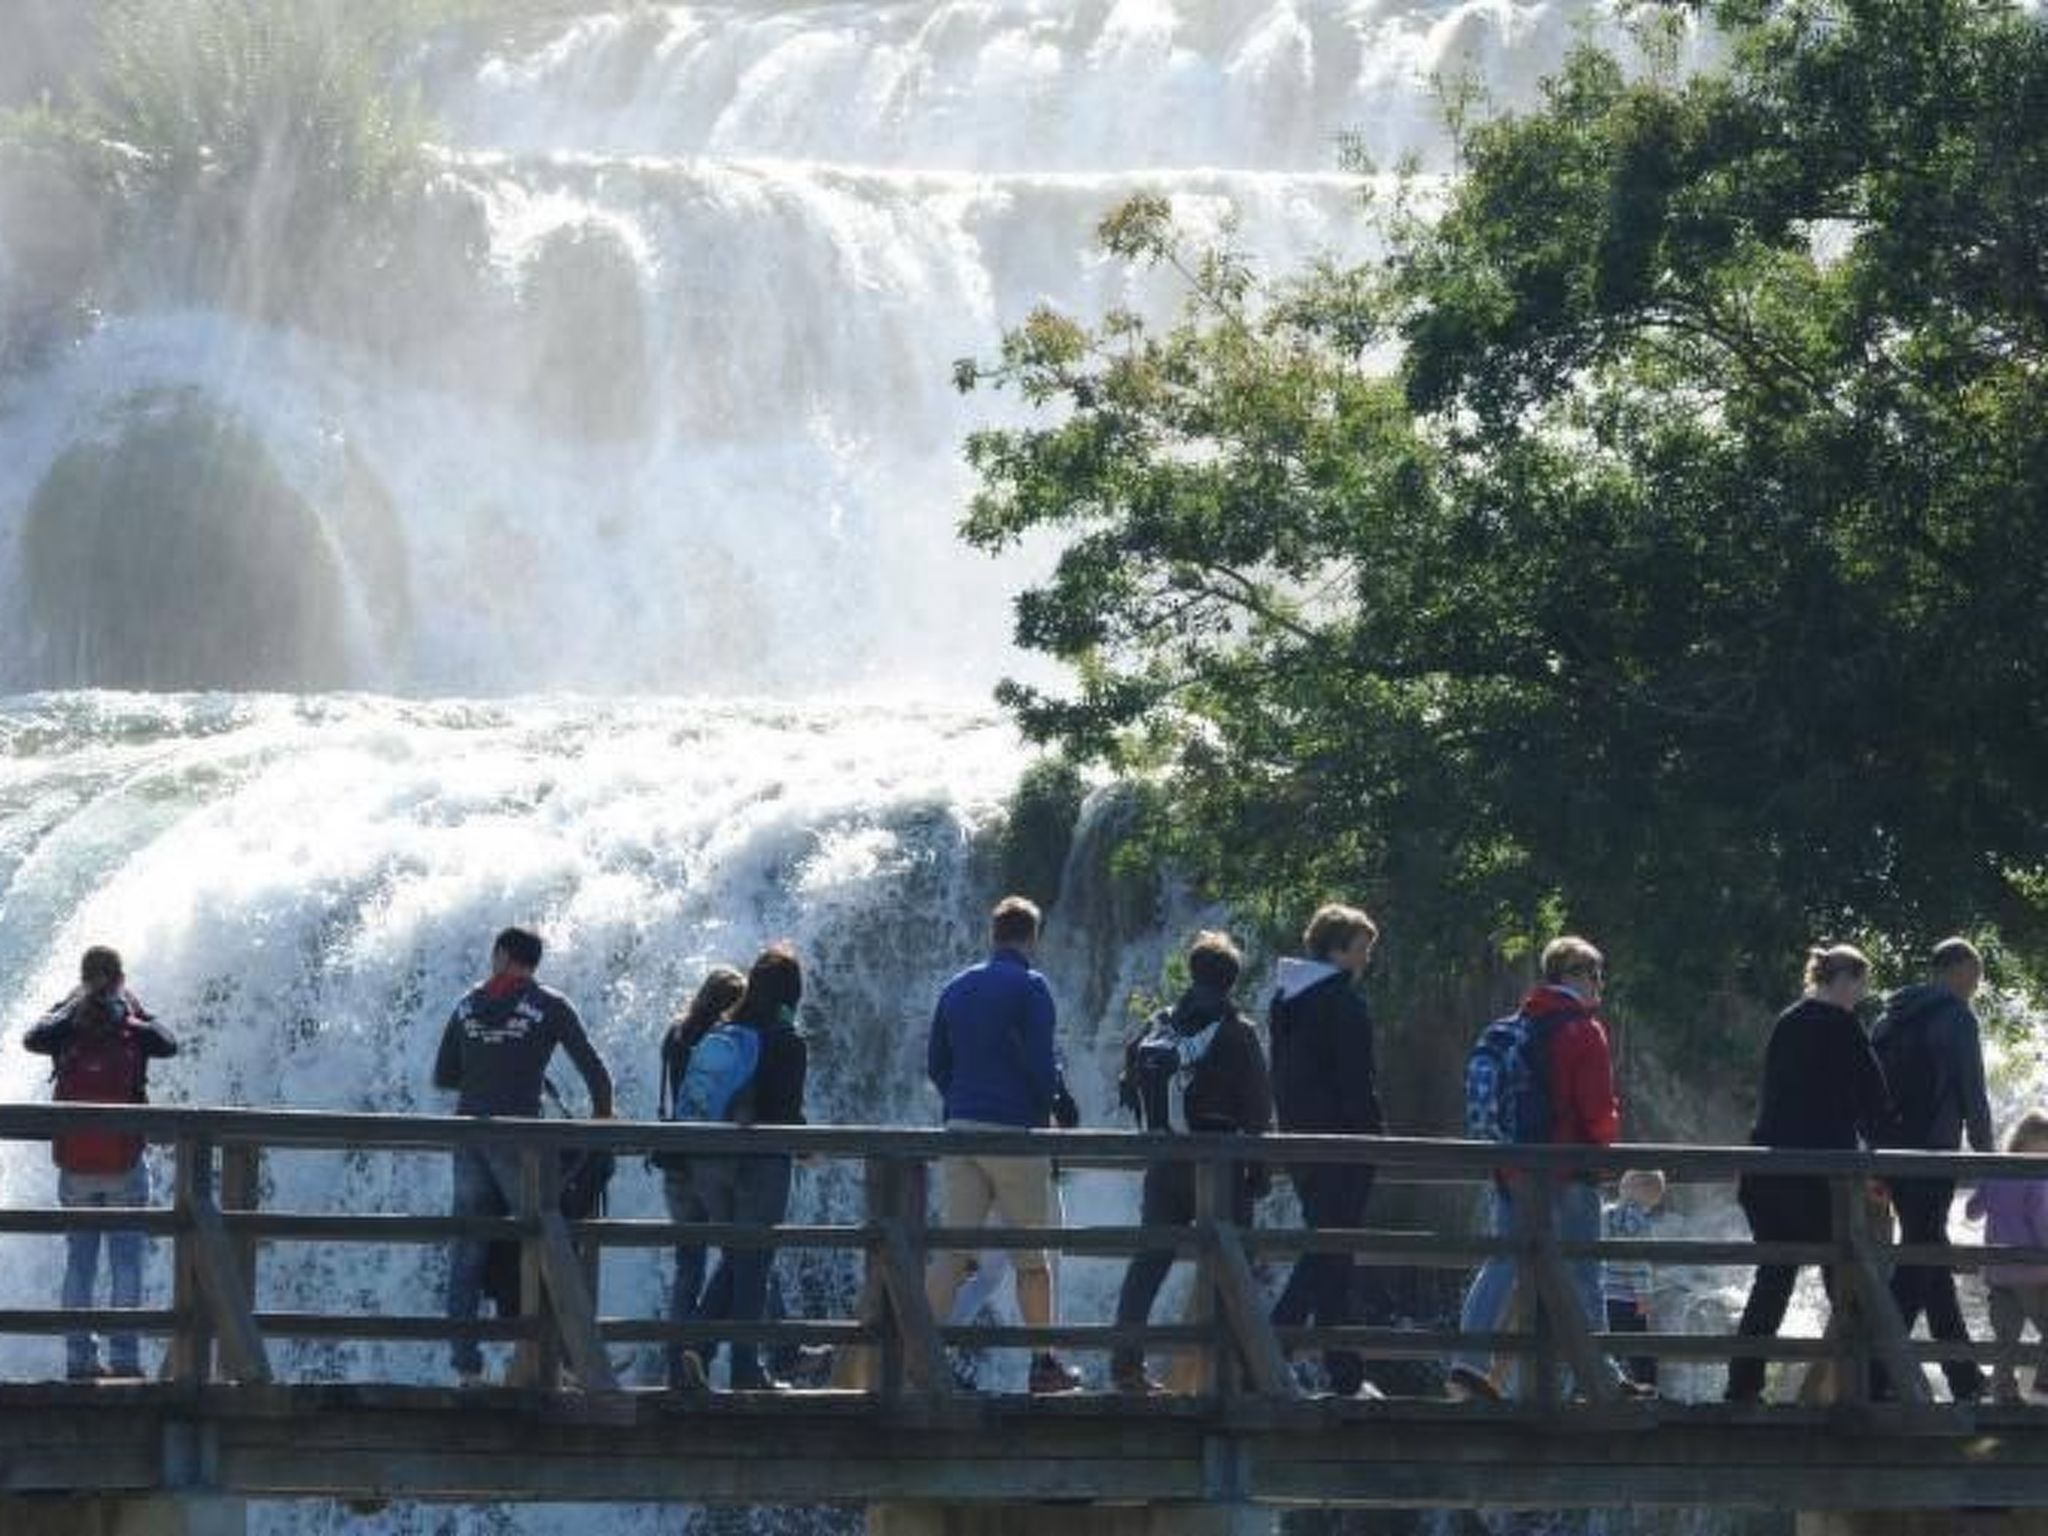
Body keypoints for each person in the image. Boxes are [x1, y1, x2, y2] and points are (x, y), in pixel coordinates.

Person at [1447, 936, 1650, 1402]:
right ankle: (1598, 1374)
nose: (1599, 984)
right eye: (1594, 974)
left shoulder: (1511, 1026)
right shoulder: (1582, 1030)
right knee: (1584, 1269)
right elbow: (1597, 1111)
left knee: (1503, 1261)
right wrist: (1603, 1148)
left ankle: (1467, 1363)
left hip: (1514, 1168)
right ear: (1573, 976)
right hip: (1567, 1169)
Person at [432, 926, 613, 1387]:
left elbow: (445, 1075)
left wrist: (487, 1070)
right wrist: (602, 1120)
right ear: (533, 961)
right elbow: (596, 1072)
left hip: (469, 1135)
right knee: (548, 1241)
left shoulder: (467, 1005)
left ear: (501, 954)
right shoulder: (550, 1004)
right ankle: (569, 1361)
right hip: (522, 1143)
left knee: (469, 1250)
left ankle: (466, 1368)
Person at [924, 895, 1081, 1394]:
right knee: (1032, 1259)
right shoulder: (1031, 987)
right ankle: (1044, 1366)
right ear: (1032, 937)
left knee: (953, 1253)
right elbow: (1040, 1064)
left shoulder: (956, 986)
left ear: (993, 935)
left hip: (960, 1129)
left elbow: (936, 1063)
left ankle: (917, 1361)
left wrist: (961, 1100)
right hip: (1013, 1132)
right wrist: (1045, 1109)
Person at [1723, 945, 1892, 1403]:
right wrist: (1882, 1157)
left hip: (1769, 1175)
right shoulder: (1843, 1026)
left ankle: (1743, 1386)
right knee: (1847, 1279)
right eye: (1861, 984)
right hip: (1824, 1179)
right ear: (1846, 980)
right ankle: (1863, 1388)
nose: (1862, 995)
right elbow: (1876, 1102)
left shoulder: (1788, 1021)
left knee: (1774, 1278)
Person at [1110, 931, 1274, 1395]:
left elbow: (1128, 1085)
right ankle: (1239, 1375)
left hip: (1166, 1162)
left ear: (1192, 972)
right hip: (1220, 1165)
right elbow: (1258, 1110)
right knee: (1235, 1264)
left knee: (1150, 1262)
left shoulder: (1159, 1025)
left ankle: (1125, 1364)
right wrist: (1259, 1174)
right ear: (1231, 981)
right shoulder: (1238, 1032)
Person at [24, 946, 178, 1381]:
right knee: (126, 1262)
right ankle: (125, 1359)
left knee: (80, 1262)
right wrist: (136, 1011)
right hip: (124, 1162)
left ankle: (79, 1359)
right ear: (121, 978)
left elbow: (31, 1037)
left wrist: (68, 1005)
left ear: (83, 977)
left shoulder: (67, 1025)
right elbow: (169, 1043)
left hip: (76, 1165)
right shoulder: (131, 1026)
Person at [679, 943, 809, 1392]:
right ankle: (745, 1370)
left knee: (737, 1257)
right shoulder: (787, 1041)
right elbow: (785, 1114)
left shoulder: (726, 1029)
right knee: (753, 1263)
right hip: (760, 1165)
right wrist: (808, 1145)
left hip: (710, 1162)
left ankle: (697, 1350)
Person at [1871, 936, 1993, 1402]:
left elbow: (1867, 1092)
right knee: (1920, 1257)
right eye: (1975, 976)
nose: (1976, 986)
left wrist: (1873, 1153)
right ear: (1958, 969)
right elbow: (1972, 1092)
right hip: (1934, 1153)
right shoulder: (1957, 1017)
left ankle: (1963, 1376)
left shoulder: (1890, 1016)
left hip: (1891, 1154)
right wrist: (1989, 1160)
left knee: (1929, 1255)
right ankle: (1878, 1373)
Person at [1268, 903, 1383, 1399]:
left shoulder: (1286, 1000)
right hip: (1343, 1143)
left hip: (1300, 1140)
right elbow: (1357, 1082)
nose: (1366, 959)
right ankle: (1270, 1346)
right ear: (1337, 950)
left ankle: (1345, 1372)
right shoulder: (1341, 1001)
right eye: (1361, 949)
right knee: (1329, 1248)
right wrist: (1373, 1138)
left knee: (1331, 1250)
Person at [654, 965, 747, 1390]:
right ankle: (709, 1349)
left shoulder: (676, 1034)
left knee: (687, 1266)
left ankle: (677, 1366)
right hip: (711, 1162)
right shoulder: (721, 1042)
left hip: (674, 1160)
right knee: (741, 1254)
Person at [1966, 1111, 2048, 1405]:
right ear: (2032, 1143)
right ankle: (2044, 1382)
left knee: (2005, 1337)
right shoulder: (2037, 1176)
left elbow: (1972, 1211)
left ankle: (2003, 1391)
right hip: (2033, 1274)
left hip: (1998, 1272)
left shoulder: (1996, 1171)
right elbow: (2042, 1224)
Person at [1603, 1169, 1666, 1388]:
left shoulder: (1605, 1214)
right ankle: (1648, 1385)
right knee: (1639, 1346)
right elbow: (1638, 1263)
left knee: (1610, 1343)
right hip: (1628, 1297)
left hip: (1605, 1292)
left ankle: (1611, 1385)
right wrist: (1644, 1296)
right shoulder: (1640, 1222)